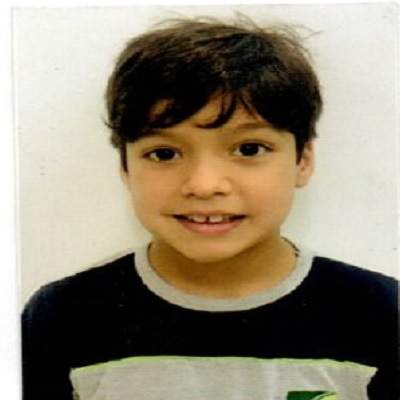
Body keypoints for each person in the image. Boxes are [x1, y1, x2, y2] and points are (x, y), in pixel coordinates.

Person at [22, 15, 398, 400]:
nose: (204, 185)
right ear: (125, 168)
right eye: (164, 153)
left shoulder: (382, 314)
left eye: (249, 149)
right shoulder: (62, 316)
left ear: (303, 160)